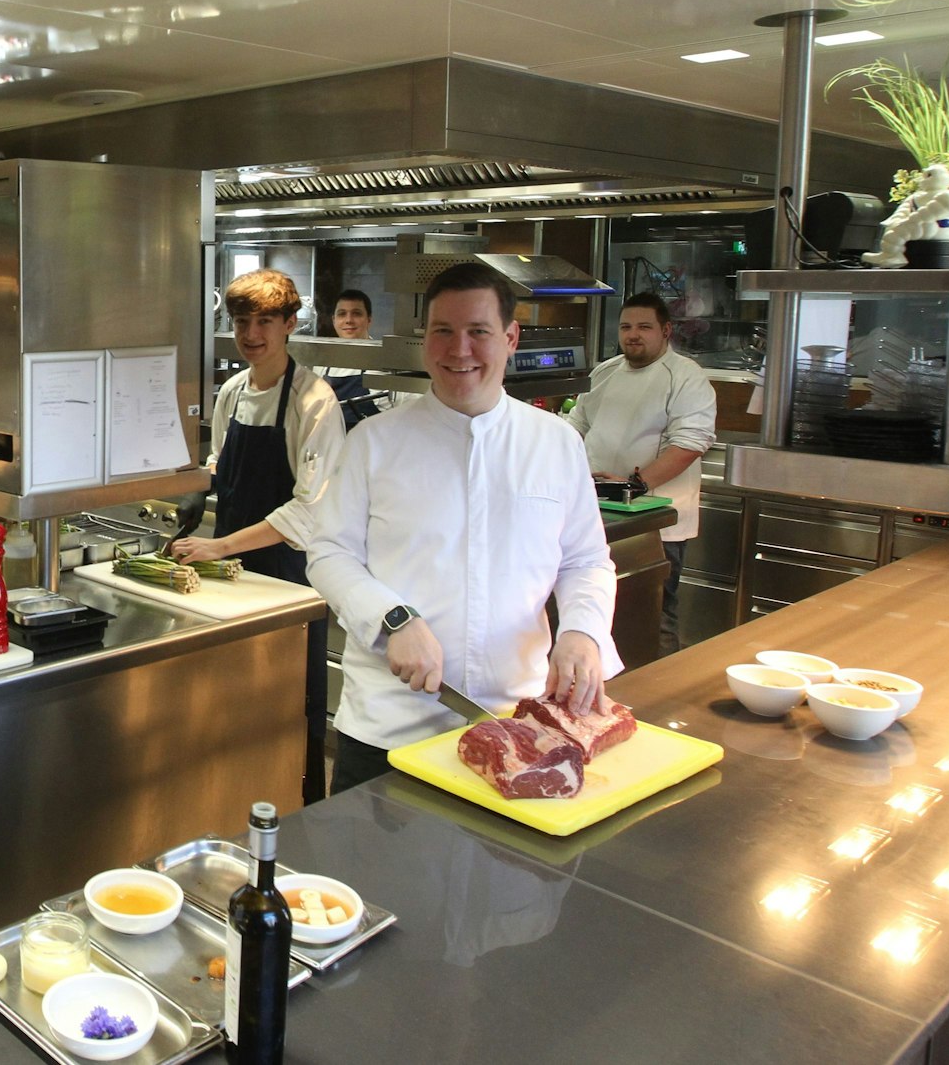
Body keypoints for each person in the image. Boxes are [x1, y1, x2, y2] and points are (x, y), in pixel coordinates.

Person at [307, 261, 622, 794]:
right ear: (425, 338)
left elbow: (585, 560)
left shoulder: (555, 442)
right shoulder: (374, 442)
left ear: (510, 338)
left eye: (478, 332)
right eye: (443, 332)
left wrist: (582, 632)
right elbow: (329, 554)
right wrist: (394, 619)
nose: (459, 350)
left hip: (518, 723)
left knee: (504, 879)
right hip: (390, 729)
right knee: (375, 876)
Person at [171, 269, 345, 583]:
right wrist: (200, 486)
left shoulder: (313, 402)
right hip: (228, 567)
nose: (250, 335)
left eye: (264, 321)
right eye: (241, 321)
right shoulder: (232, 392)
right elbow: (219, 460)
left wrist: (220, 545)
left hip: (288, 571)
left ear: (289, 324)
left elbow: (310, 509)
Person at [566, 292, 716, 655]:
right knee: (592, 609)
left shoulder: (686, 378)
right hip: (595, 514)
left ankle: (657, 690)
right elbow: (575, 425)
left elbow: (690, 444)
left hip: (656, 522)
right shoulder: (604, 371)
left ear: (666, 331)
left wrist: (633, 485)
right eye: (626, 327)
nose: (633, 335)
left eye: (644, 327)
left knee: (653, 612)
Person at [313, 289, 394, 429]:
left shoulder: (381, 360)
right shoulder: (322, 363)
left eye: (356, 314)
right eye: (342, 314)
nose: (349, 320)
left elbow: (393, 412)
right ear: (334, 320)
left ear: (369, 320)